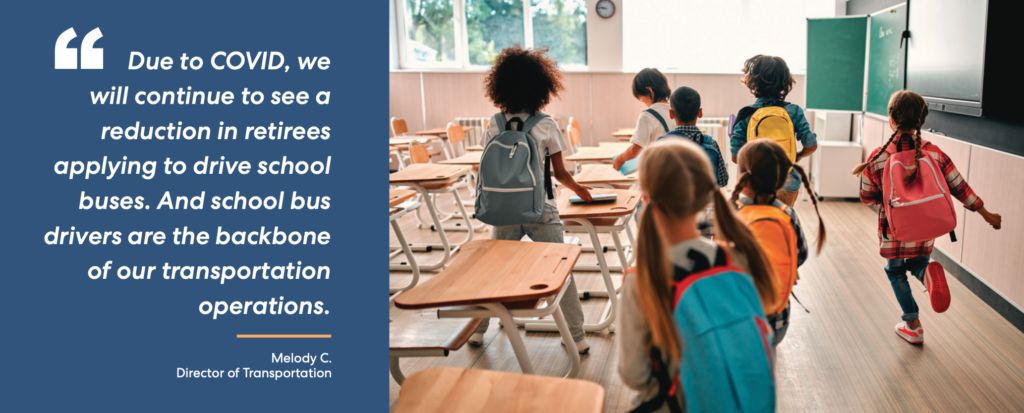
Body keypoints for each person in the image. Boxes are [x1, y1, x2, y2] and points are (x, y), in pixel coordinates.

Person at [617, 139, 777, 412]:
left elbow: (634, 375)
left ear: (646, 199)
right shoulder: (735, 257)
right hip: (741, 399)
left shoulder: (641, 281)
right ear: (704, 197)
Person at [470, 45, 594, 353]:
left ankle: (477, 333)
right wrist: (579, 190)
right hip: (542, 209)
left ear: (500, 86)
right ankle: (577, 339)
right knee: (560, 271)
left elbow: (485, 168)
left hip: (503, 210)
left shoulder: (494, 123)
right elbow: (560, 174)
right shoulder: (546, 124)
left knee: (493, 270)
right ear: (542, 86)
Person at [853, 89, 1001, 344]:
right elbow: (959, 187)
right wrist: (986, 214)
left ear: (891, 118)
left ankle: (913, 325)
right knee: (919, 262)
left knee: (895, 271)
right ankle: (926, 273)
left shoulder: (878, 157)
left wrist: (888, 199)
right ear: (921, 120)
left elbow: (866, 197)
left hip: (893, 230)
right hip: (925, 229)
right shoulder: (934, 154)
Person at [732, 139, 826, 345]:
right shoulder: (788, 214)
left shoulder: (730, 213)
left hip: (736, 317)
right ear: (782, 178)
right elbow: (800, 255)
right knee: (766, 354)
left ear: (742, 176)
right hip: (777, 318)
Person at [730, 55, 817, 206]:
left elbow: (736, 157)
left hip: (756, 184)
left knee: (759, 219)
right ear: (785, 82)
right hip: (788, 182)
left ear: (753, 83)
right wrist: (796, 157)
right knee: (784, 217)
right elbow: (811, 145)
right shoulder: (794, 111)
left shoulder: (745, 114)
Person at [612, 68, 673, 173]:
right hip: (676, 169)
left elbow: (635, 150)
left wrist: (620, 159)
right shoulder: (677, 111)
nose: (641, 101)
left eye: (640, 97)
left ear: (650, 91)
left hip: (659, 171)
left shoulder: (647, 116)